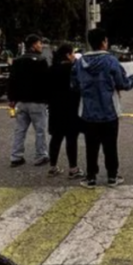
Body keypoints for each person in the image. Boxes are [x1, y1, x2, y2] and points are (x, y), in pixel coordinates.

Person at [71, 27, 133, 188]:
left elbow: (74, 85)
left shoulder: (80, 63)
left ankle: (91, 177)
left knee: (91, 146)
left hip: (88, 111)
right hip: (109, 111)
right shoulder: (111, 61)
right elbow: (123, 83)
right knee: (110, 145)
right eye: (106, 40)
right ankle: (112, 177)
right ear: (103, 42)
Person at [8, 34, 50, 167]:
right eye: (39, 43)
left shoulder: (17, 60)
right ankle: (41, 155)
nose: (41, 46)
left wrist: (12, 98)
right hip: (37, 101)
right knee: (40, 130)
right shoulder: (41, 60)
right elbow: (46, 81)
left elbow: (12, 80)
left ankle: (16, 156)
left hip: (21, 101)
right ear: (33, 45)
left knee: (20, 130)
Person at [46, 43, 83, 179]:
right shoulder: (73, 69)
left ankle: (52, 167)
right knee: (71, 139)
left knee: (56, 138)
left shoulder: (51, 69)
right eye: (72, 53)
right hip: (71, 108)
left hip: (55, 109)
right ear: (68, 55)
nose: (74, 56)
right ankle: (73, 169)